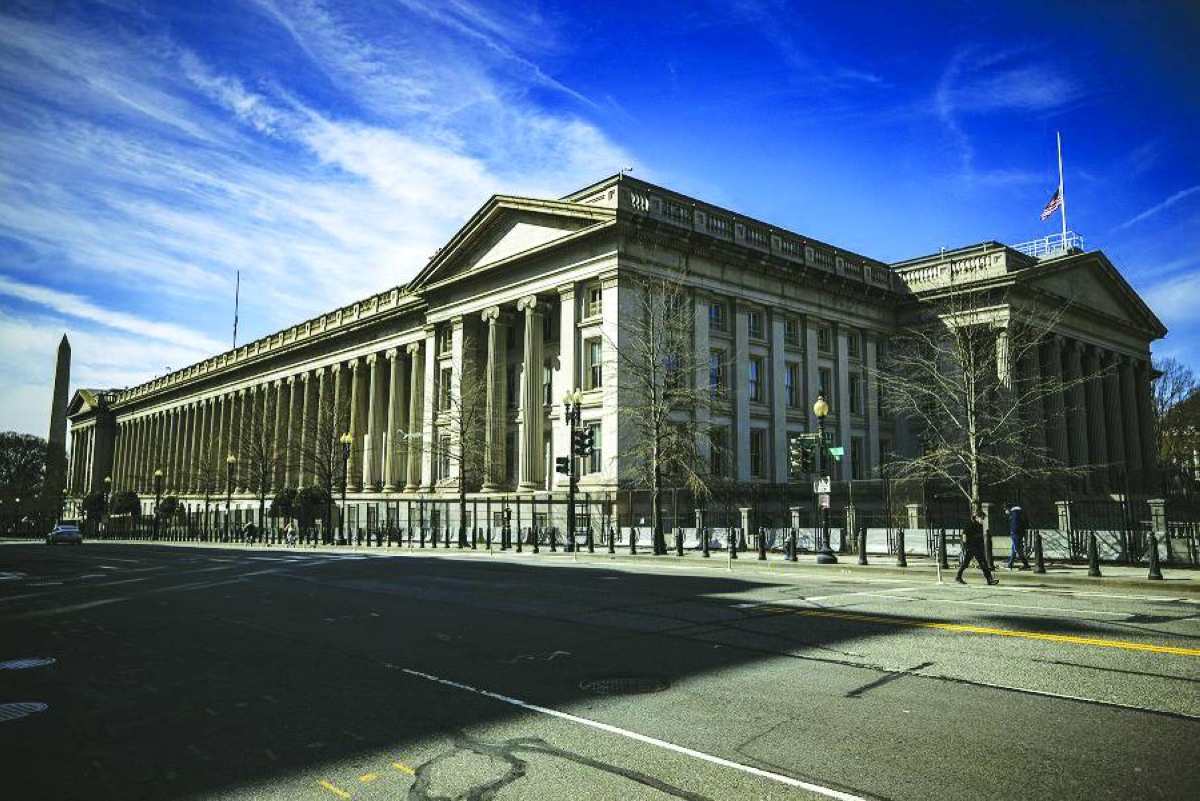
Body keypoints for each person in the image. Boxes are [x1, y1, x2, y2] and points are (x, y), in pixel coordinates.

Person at [955, 513, 998, 585]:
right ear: (977, 517)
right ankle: (958, 577)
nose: (982, 520)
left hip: (978, 548)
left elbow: (980, 537)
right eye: (982, 518)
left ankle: (989, 580)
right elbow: (964, 535)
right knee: (965, 564)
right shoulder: (970, 524)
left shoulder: (980, 525)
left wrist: (981, 546)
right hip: (970, 547)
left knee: (984, 564)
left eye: (983, 518)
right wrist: (965, 547)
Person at [1006, 502, 1030, 570]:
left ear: (1008, 508)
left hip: (1015, 534)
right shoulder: (1019, 512)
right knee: (1014, 550)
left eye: (1005, 509)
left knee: (1017, 550)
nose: (1006, 511)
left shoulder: (1014, 514)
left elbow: (1014, 525)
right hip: (1020, 533)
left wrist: (1012, 533)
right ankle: (1009, 566)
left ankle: (1026, 565)